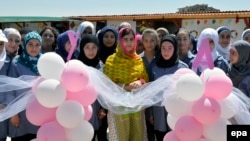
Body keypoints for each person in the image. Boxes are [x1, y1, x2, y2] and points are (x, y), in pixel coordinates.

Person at [103, 27, 148, 141]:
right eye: (125, 39)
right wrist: (126, 87)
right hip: (118, 107)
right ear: (120, 41)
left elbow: (145, 78)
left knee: (137, 134)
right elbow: (107, 85)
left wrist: (139, 81)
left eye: (131, 39)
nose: (129, 43)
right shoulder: (111, 60)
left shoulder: (138, 59)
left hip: (136, 105)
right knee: (120, 136)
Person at [151, 35, 188, 141]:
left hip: (177, 112)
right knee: (160, 136)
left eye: (170, 48)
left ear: (175, 48)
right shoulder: (155, 67)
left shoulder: (182, 68)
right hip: (158, 111)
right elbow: (150, 92)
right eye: (163, 48)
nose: (166, 51)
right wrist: (150, 114)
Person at [9, 32, 42, 141]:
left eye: (37, 45)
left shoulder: (45, 63)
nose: (34, 48)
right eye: (30, 44)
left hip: (40, 113)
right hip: (21, 114)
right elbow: (11, 90)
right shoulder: (16, 64)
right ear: (24, 45)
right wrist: (13, 113)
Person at [78, 34, 106, 141]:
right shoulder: (77, 66)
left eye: (94, 47)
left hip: (98, 109)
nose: (91, 51)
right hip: (81, 110)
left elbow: (104, 90)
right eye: (87, 47)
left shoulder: (101, 66)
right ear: (82, 48)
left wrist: (104, 108)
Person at [141, 28, 159, 141]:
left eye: (152, 40)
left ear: (157, 41)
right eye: (146, 40)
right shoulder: (137, 58)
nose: (149, 44)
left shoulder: (162, 57)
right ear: (142, 41)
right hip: (143, 101)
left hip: (157, 101)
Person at [0, 29, 15, 141]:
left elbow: (11, 86)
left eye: (0, 44)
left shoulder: (9, 62)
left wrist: (5, 104)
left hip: (3, 112)